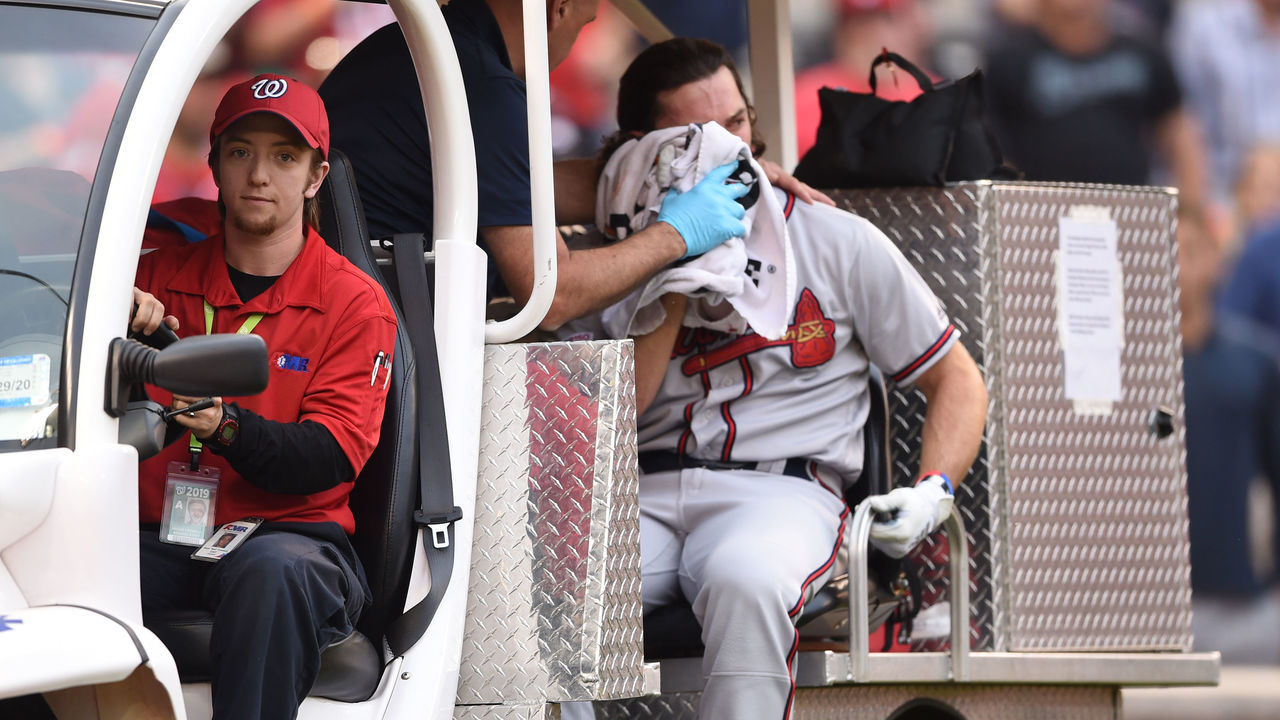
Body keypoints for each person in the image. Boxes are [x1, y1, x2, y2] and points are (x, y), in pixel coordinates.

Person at [590, 38, 988, 720]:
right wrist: (678, 261)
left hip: (779, 489)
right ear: (641, 146)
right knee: (555, 586)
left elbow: (957, 378)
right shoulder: (617, 251)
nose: (729, 151)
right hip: (642, 488)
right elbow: (618, 416)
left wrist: (932, 493)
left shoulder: (833, 237)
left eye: (738, 126)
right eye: (700, 136)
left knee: (745, 580)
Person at [130, 73, 398, 720]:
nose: (259, 174)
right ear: (215, 163)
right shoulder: (150, 277)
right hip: (154, 534)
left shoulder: (355, 304)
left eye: (284, 157)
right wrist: (103, 315)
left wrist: (225, 426)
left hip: (288, 539)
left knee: (271, 574)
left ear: (316, 176)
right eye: (241, 151)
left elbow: (327, 458)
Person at [320, 0, 827, 331]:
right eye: (586, 23)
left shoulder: (420, 51)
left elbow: (522, 191)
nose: (579, 39)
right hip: (378, 331)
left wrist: (716, 169)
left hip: (345, 310)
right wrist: (676, 233)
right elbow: (550, 290)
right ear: (558, 7)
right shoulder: (486, 88)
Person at [983, 0, 1208, 217]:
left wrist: (1189, 213)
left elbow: (1180, 136)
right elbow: (997, 157)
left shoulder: (1142, 51)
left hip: (1131, 217)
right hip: (1045, 221)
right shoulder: (1008, 61)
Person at [1177, 210, 1280, 665]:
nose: (1177, 267)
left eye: (1189, 252)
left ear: (1217, 260)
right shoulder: (1112, 375)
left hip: (1244, 610)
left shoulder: (1256, 364)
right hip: (1144, 613)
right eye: (1164, 251)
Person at [793, 0, 934, 158]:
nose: (874, 34)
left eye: (888, 19)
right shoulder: (801, 98)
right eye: (862, 22)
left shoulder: (940, 95)